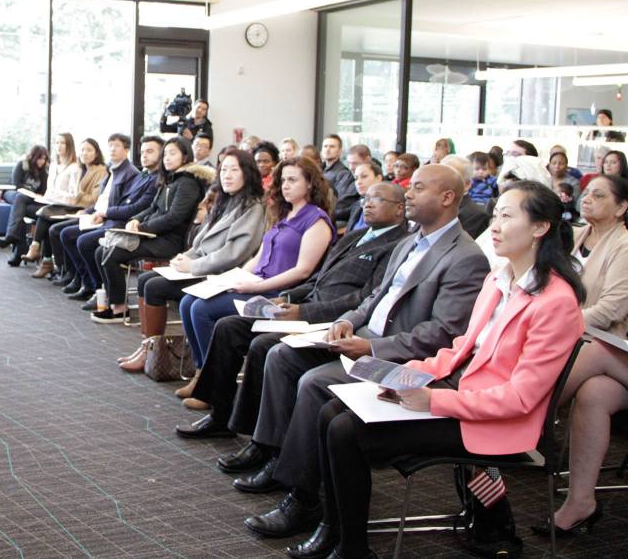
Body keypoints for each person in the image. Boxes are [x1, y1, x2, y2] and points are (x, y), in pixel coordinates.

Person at [296, 181, 584, 559]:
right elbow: (462, 350)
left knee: (346, 430)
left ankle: (351, 547)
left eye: (507, 217)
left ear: (540, 227)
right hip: (458, 392)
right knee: (332, 409)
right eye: (495, 215)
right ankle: (333, 530)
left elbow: (520, 398)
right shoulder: (500, 280)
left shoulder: (555, 301)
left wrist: (435, 399)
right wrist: (406, 373)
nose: (494, 226)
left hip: (491, 419)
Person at [239, 165, 489, 539]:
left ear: (447, 197)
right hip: (366, 337)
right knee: (281, 356)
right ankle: (277, 456)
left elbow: (441, 333)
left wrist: (372, 346)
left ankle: (303, 498)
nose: (408, 194)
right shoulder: (410, 242)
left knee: (314, 383)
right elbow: (375, 297)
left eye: (418, 188)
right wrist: (347, 321)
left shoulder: (465, 257)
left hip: (399, 356)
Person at [176, 182, 408, 441]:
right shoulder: (355, 235)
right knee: (228, 327)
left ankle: (259, 437)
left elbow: (364, 299)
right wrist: (286, 298)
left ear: (400, 209)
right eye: (366, 198)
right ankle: (219, 415)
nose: (368, 203)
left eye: (378, 199)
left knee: (264, 346)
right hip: (307, 305)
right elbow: (318, 279)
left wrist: (304, 311)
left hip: (332, 319)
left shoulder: (397, 245)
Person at [175, 157, 336, 407]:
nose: (285, 186)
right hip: (257, 283)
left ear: (310, 185)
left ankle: (215, 388)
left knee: (202, 309)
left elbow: (303, 272)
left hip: (278, 294)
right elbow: (259, 257)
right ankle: (201, 373)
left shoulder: (316, 220)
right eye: (283, 180)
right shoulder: (285, 215)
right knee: (188, 302)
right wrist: (234, 278)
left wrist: (254, 286)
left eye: (293, 180)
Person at [533, 175, 628, 538]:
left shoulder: (624, 245)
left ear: (621, 208)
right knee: (594, 393)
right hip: (593, 348)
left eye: (599, 195)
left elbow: (610, 310)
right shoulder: (582, 235)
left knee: (593, 349)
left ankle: (517, 415)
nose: (587, 199)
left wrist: (555, 322)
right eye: (586, 193)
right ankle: (581, 503)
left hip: (605, 342)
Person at [117, 148, 266, 371]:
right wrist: (183, 258)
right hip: (202, 266)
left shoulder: (252, 207)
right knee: (145, 280)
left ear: (248, 173)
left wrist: (192, 266)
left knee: (155, 287)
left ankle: (156, 353)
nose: (227, 175)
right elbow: (201, 243)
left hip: (220, 275)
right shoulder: (225, 202)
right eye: (224, 169)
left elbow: (234, 254)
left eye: (234, 170)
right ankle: (148, 347)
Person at [91, 137, 213, 322]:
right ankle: (112, 301)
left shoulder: (188, 182)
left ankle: (119, 309)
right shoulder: (170, 179)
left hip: (170, 241)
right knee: (102, 250)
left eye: (173, 154)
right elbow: (153, 208)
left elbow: (174, 217)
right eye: (165, 154)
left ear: (185, 156)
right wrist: (135, 220)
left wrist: (142, 227)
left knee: (113, 253)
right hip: (154, 235)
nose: (167, 158)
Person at [63, 134, 158, 301]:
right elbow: (113, 200)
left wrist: (106, 213)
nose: (144, 155)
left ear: (126, 150)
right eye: (142, 152)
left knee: (84, 242)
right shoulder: (138, 174)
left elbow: (136, 207)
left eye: (149, 151)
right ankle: (88, 283)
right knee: (65, 232)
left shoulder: (134, 174)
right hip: (110, 217)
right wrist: (93, 211)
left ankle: (97, 288)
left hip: (124, 223)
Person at [28, 138, 107, 277]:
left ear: (96, 153)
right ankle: (54, 265)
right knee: (45, 217)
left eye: (89, 150)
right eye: (82, 150)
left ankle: (61, 268)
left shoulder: (100, 171)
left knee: (50, 224)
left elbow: (94, 199)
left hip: (85, 211)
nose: (85, 153)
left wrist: (76, 194)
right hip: (72, 207)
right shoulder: (80, 169)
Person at [0, 144, 49, 259]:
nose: (42, 161)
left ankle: (13, 240)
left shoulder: (44, 171)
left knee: (21, 211)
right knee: (20, 198)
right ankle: (12, 238)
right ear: (34, 157)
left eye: (44, 158)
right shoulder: (22, 164)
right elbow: (16, 184)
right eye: (40, 158)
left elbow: (43, 191)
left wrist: (35, 194)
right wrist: (30, 192)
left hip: (29, 199)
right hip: (12, 193)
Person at [440, 154, 489, 239]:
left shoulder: (475, 215)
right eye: (440, 176)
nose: (441, 182)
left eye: (449, 177)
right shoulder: (430, 205)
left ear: (467, 184)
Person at [321, 134, 359, 223]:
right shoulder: (319, 170)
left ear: (340, 151)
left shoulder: (344, 174)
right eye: (325, 146)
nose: (327, 149)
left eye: (332, 146)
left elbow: (340, 202)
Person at [345, 160, 383, 231]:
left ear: (378, 178)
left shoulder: (386, 206)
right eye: (356, 178)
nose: (358, 182)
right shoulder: (357, 205)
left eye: (364, 176)